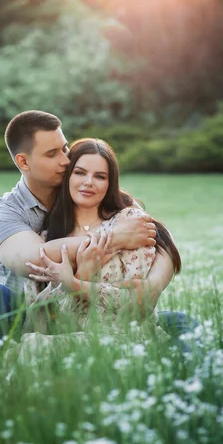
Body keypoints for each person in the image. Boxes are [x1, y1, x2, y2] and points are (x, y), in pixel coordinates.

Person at [0, 111, 199, 378]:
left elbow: (153, 231)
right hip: (30, 316)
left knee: (182, 325)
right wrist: (111, 239)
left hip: (103, 310)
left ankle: (190, 386)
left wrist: (154, 285)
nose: (65, 160)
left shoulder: (84, 188)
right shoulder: (6, 213)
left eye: (65, 148)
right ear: (23, 161)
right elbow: (36, 258)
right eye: (52, 154)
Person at [24, 138, 181, 340]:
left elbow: (135, 305)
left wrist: (74, 284)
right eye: (80, 173)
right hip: (63, 341)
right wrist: (84, 271)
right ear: (66, 177)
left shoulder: (130, 225)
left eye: (100, 176)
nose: (88, 182)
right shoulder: (47, 239)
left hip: (122, 339)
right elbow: (41, 323)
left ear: (110, 184)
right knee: (33, 345)